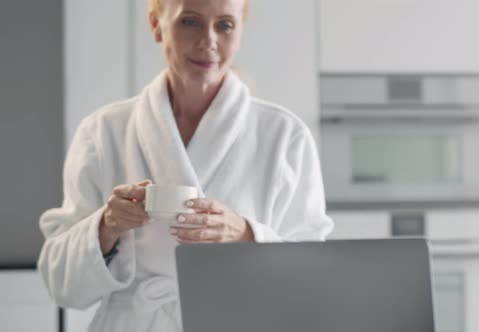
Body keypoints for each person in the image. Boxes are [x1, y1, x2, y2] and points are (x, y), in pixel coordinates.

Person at [37, 0, 334, 330]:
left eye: (225, 25)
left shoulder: (284, 135)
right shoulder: (103, 131)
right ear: (156, 25)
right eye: (190, 22)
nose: (208, 40)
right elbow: (59, 283)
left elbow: (313, 278)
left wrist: (247, 235)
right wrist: (106, 227)